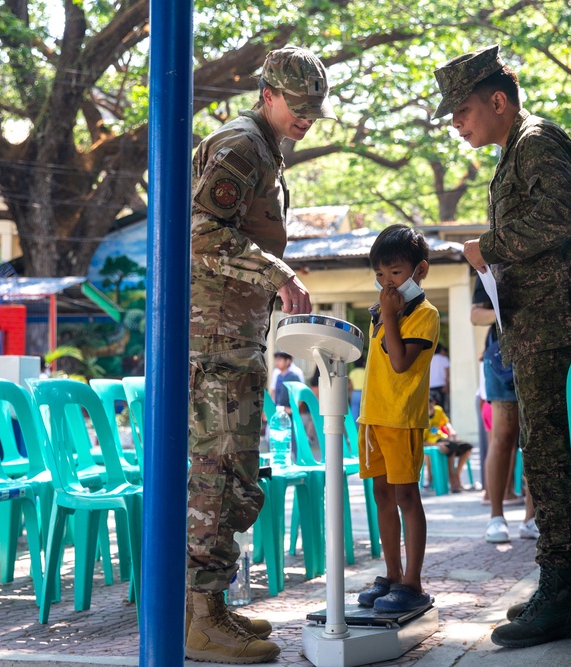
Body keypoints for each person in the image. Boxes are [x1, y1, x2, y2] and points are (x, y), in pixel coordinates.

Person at [433, 45, 571, 648]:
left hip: (558, 329)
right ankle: (561, 584)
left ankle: (564, 595)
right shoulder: (516, 151)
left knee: (554, 461)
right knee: (548, 457)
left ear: (497, 100)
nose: (457, 123)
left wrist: (490, 245)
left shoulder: (536, 141)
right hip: (540, 327)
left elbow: (559, 217)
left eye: (461, 111)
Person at [185, 45, 334, 664]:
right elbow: (202, 231)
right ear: (267, 93)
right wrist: (280, 273)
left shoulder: (264, 150)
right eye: (296, 106)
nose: (305, 117)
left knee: (238, 476)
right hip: (215, 339)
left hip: (235, 336)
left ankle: (212, 605)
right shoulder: (242, 146)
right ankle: (196, 618)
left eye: (313, 109)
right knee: (217, 477)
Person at [355, 223, 440, 613]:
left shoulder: (424, 314)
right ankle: (390, 574)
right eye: (380, 275)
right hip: (373, 418)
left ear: (419, 271)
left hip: (402, 420)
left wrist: (389, 315)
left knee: (407, 496)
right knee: (381, 496)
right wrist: (385, 314)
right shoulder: (381, 313)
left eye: (395, 273)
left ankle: (413, 582)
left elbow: (402, 363)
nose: (387, 283)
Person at [471, 274, 533, 544]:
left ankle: (532, 519)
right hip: (503, 359)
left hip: (543, 355)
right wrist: (516, 313)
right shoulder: (490, 264)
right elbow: (476, 315)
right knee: (503, 436)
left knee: (537, 439)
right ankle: (496, 517)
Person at [426, 390, 473, 493]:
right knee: (450, 447)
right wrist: (436, 444)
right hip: (434, 443)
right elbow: (421, 441)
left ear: (433, 403)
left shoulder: (438, 410)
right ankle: (453, 481)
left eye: (430, 403)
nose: (429, 405)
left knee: (467, 447)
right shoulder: (421, 416)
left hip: (444, 439)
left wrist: (451, 430)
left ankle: (456, 474)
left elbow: (446, 423)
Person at [429, 343, 450, 414]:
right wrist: (446, 385)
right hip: (441, 386)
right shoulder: (444, 359)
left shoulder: (429, 359)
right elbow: (447, 374)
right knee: (442, 408)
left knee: (431, 408)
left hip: (430, 386)